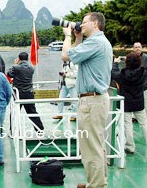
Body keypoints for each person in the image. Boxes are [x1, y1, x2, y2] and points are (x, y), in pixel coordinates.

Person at [61, 12, 113, 188]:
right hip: (95, 99)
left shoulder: (96, 42)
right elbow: (77, 55)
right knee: (95, 144)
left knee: (91, 147)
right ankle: (97, 182)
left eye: (84, 22)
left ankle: (97, 185)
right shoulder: (98, 42)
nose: (81, 25)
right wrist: (78, 38)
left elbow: (66, 56)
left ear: (96, 24)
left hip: (92, 101)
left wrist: (67, 35)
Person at [111, 52, 147, 154]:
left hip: (126, 102)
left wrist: (115, 63)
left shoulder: (123, 74)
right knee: (144, 124)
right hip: (139, 101)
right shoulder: (143, 73)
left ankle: (130, 147)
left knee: (128, 124)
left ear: (126, 62)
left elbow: (114, 74)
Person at [7, 52, 44, 131]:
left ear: (19, 59)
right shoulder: (32, 68)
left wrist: (15, 64)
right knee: (32, 112)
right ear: (27, 59)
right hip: (29, 93)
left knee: (14, 112)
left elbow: (9, 74)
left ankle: (13, 130)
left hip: (18, 93)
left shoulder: (16, 67)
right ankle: (40, 129)